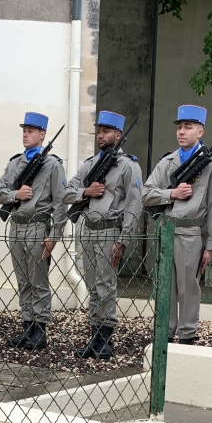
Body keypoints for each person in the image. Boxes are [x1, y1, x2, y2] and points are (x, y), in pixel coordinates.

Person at [61, 110, 143, 358]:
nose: (100, 135)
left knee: (105, 286)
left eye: (106, 131)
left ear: (118, 135)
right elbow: (65, 192)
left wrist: (123, 240)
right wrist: (86, 192)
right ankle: (94, 337)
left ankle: (105, 339)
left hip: (110, 231)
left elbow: (133, 206)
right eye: (98, 131)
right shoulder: (89, 165)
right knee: (92, 286)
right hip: (88, 230)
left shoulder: (129, 166)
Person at [142, 105, 212, 345]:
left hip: (192, 232)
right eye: (179, 127)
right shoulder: (167, 161)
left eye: (188, 127)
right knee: (165, 285)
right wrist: (171, 194)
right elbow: (146, 194)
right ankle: (165, 333)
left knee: (188, 287)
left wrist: (210, 244)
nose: (181, 131)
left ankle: (188, 334)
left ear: (200, 132)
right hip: (167, 230)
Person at [0, 112, 67, 350]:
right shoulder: (14, 163)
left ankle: (40, 330)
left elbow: (60, 202)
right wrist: (16, 194)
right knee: (23, 281)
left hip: (38, 227)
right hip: (16, 226)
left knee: (38, 281)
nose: (25, 135)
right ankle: (27, 327)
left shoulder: (52, 164)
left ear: (42, 135)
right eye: (24, 131)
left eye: (31, 131)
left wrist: (54, 235)